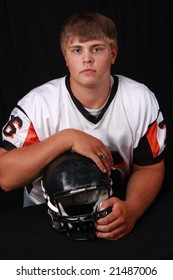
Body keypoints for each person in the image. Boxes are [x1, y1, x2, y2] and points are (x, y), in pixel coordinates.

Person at [0, 11, 167, 240]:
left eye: (96, 48)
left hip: (112, 206)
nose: (87, 58)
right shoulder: (38, 104)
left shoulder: (139, 99)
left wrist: (132, 209)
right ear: (65, 57)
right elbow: (5, 176)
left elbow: (150, 167)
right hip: (44, 211)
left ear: (113, 54)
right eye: (77, 50)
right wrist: (67, 138)